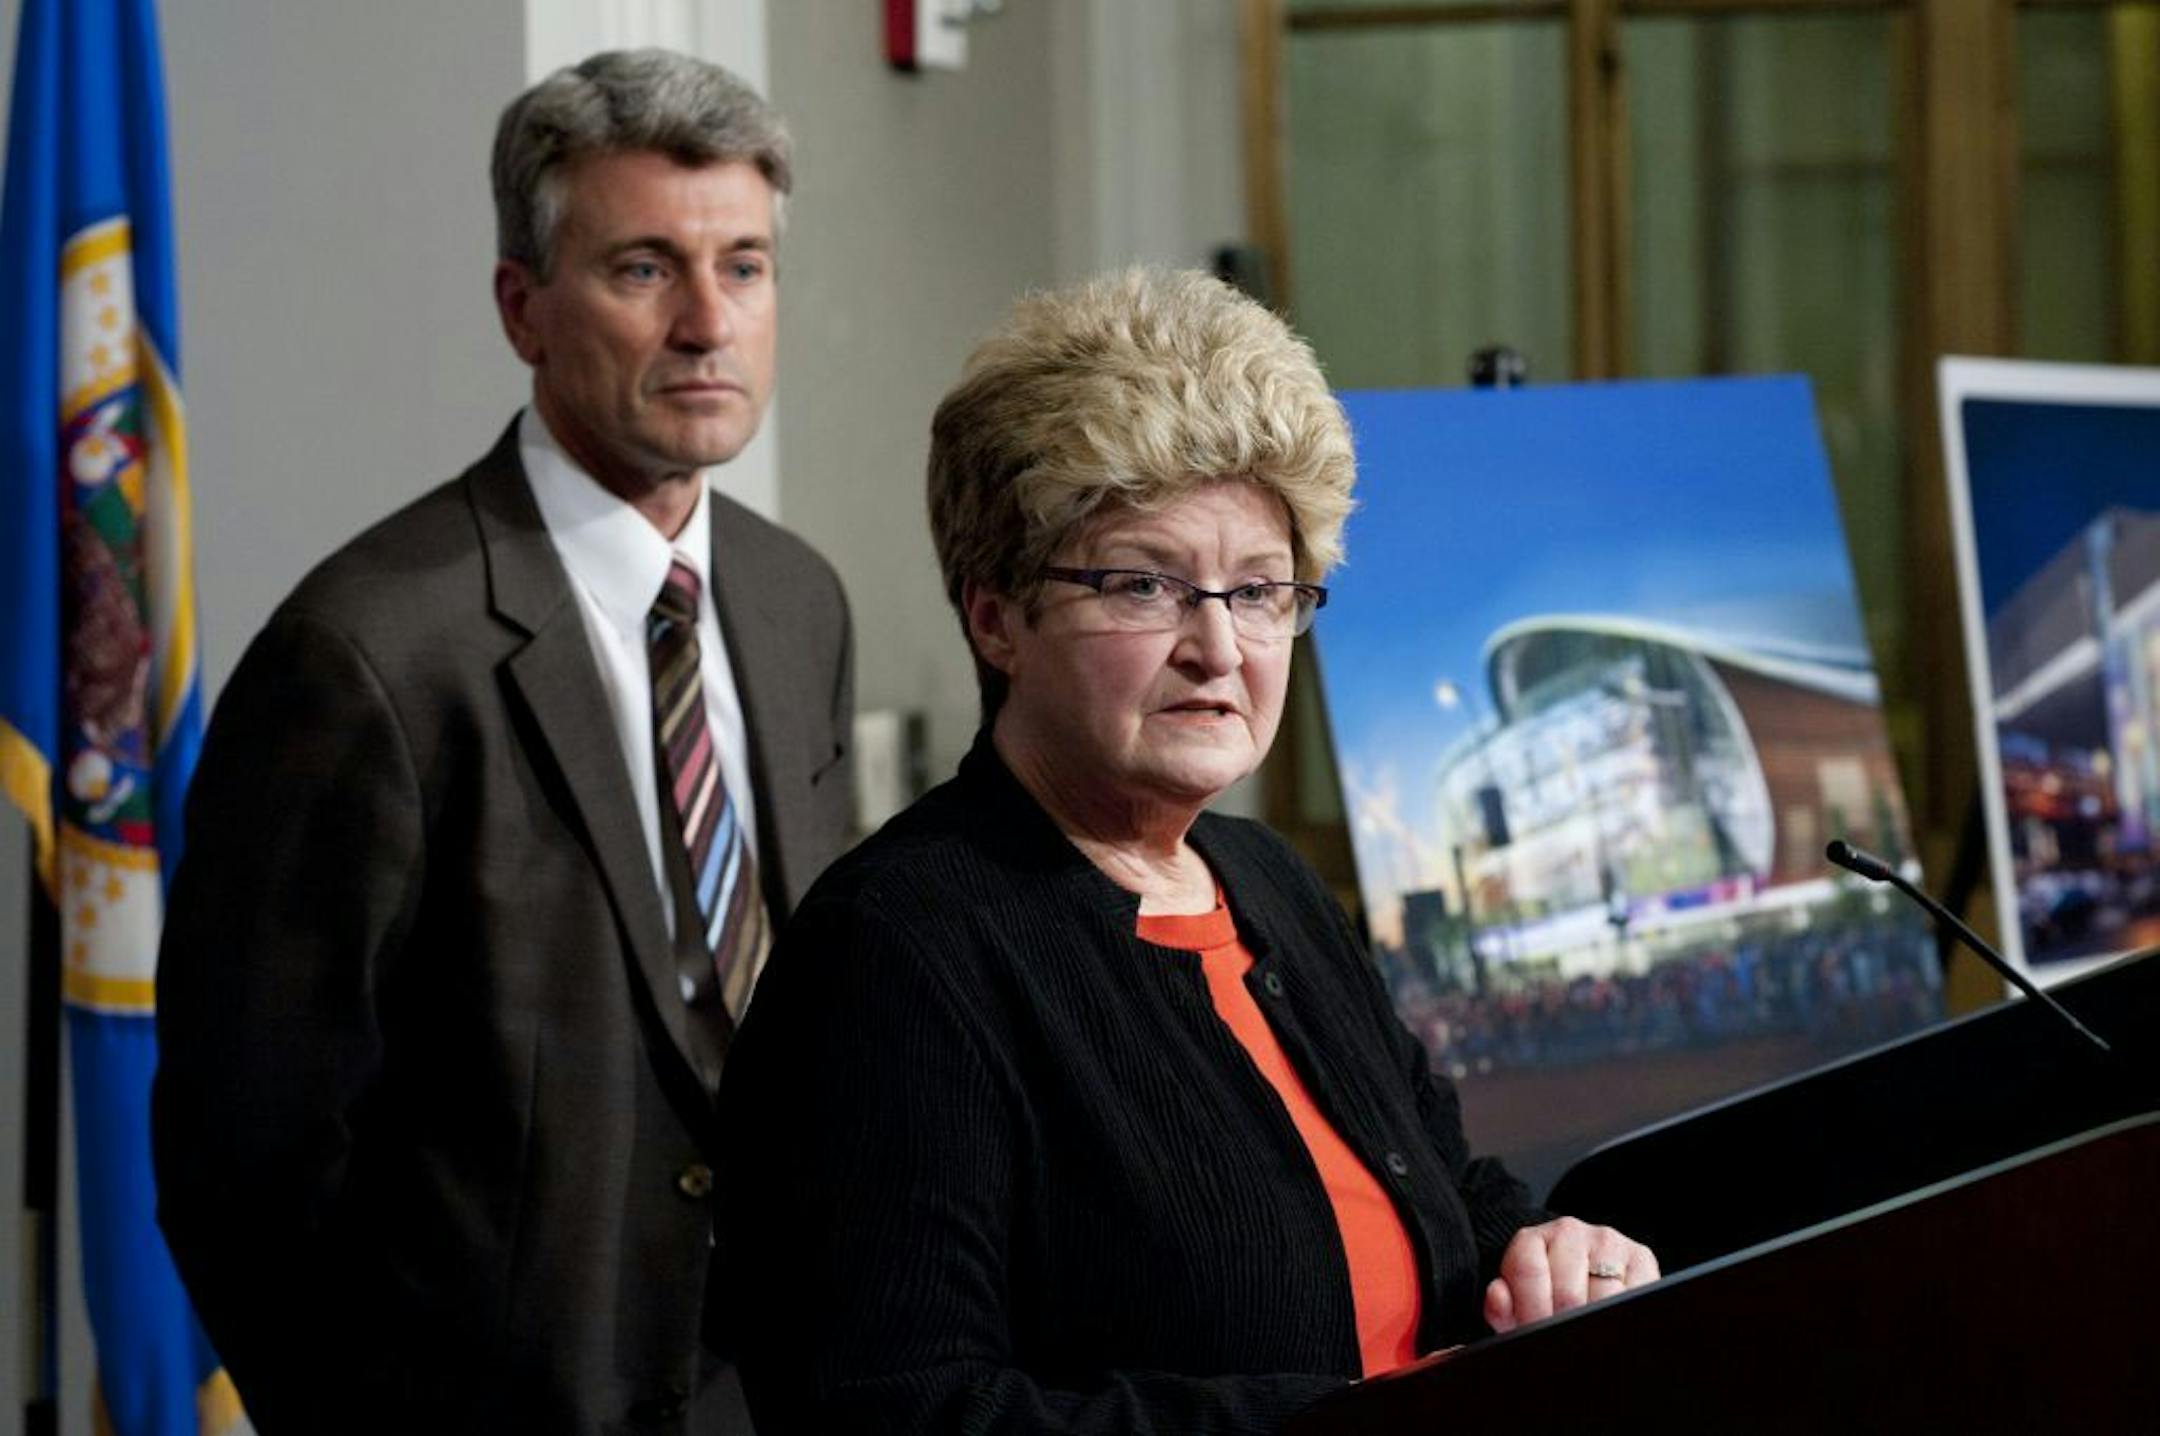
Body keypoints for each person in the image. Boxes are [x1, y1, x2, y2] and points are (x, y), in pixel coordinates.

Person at [720, 268, 1657, 1434]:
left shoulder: (1270, 883)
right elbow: (899, 1409)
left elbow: (1445, 1195)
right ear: (996, 614)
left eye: (1261, 590)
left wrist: (1547, 1252)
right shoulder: (899, 952)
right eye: (1146, 583)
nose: (1220, 646)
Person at [151, 50, 853, 1434]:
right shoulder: (365, 656)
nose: (709, 321)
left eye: (747, 266)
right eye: (645, 269)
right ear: (522, 308)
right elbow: (244, 1158)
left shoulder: (794, 600)